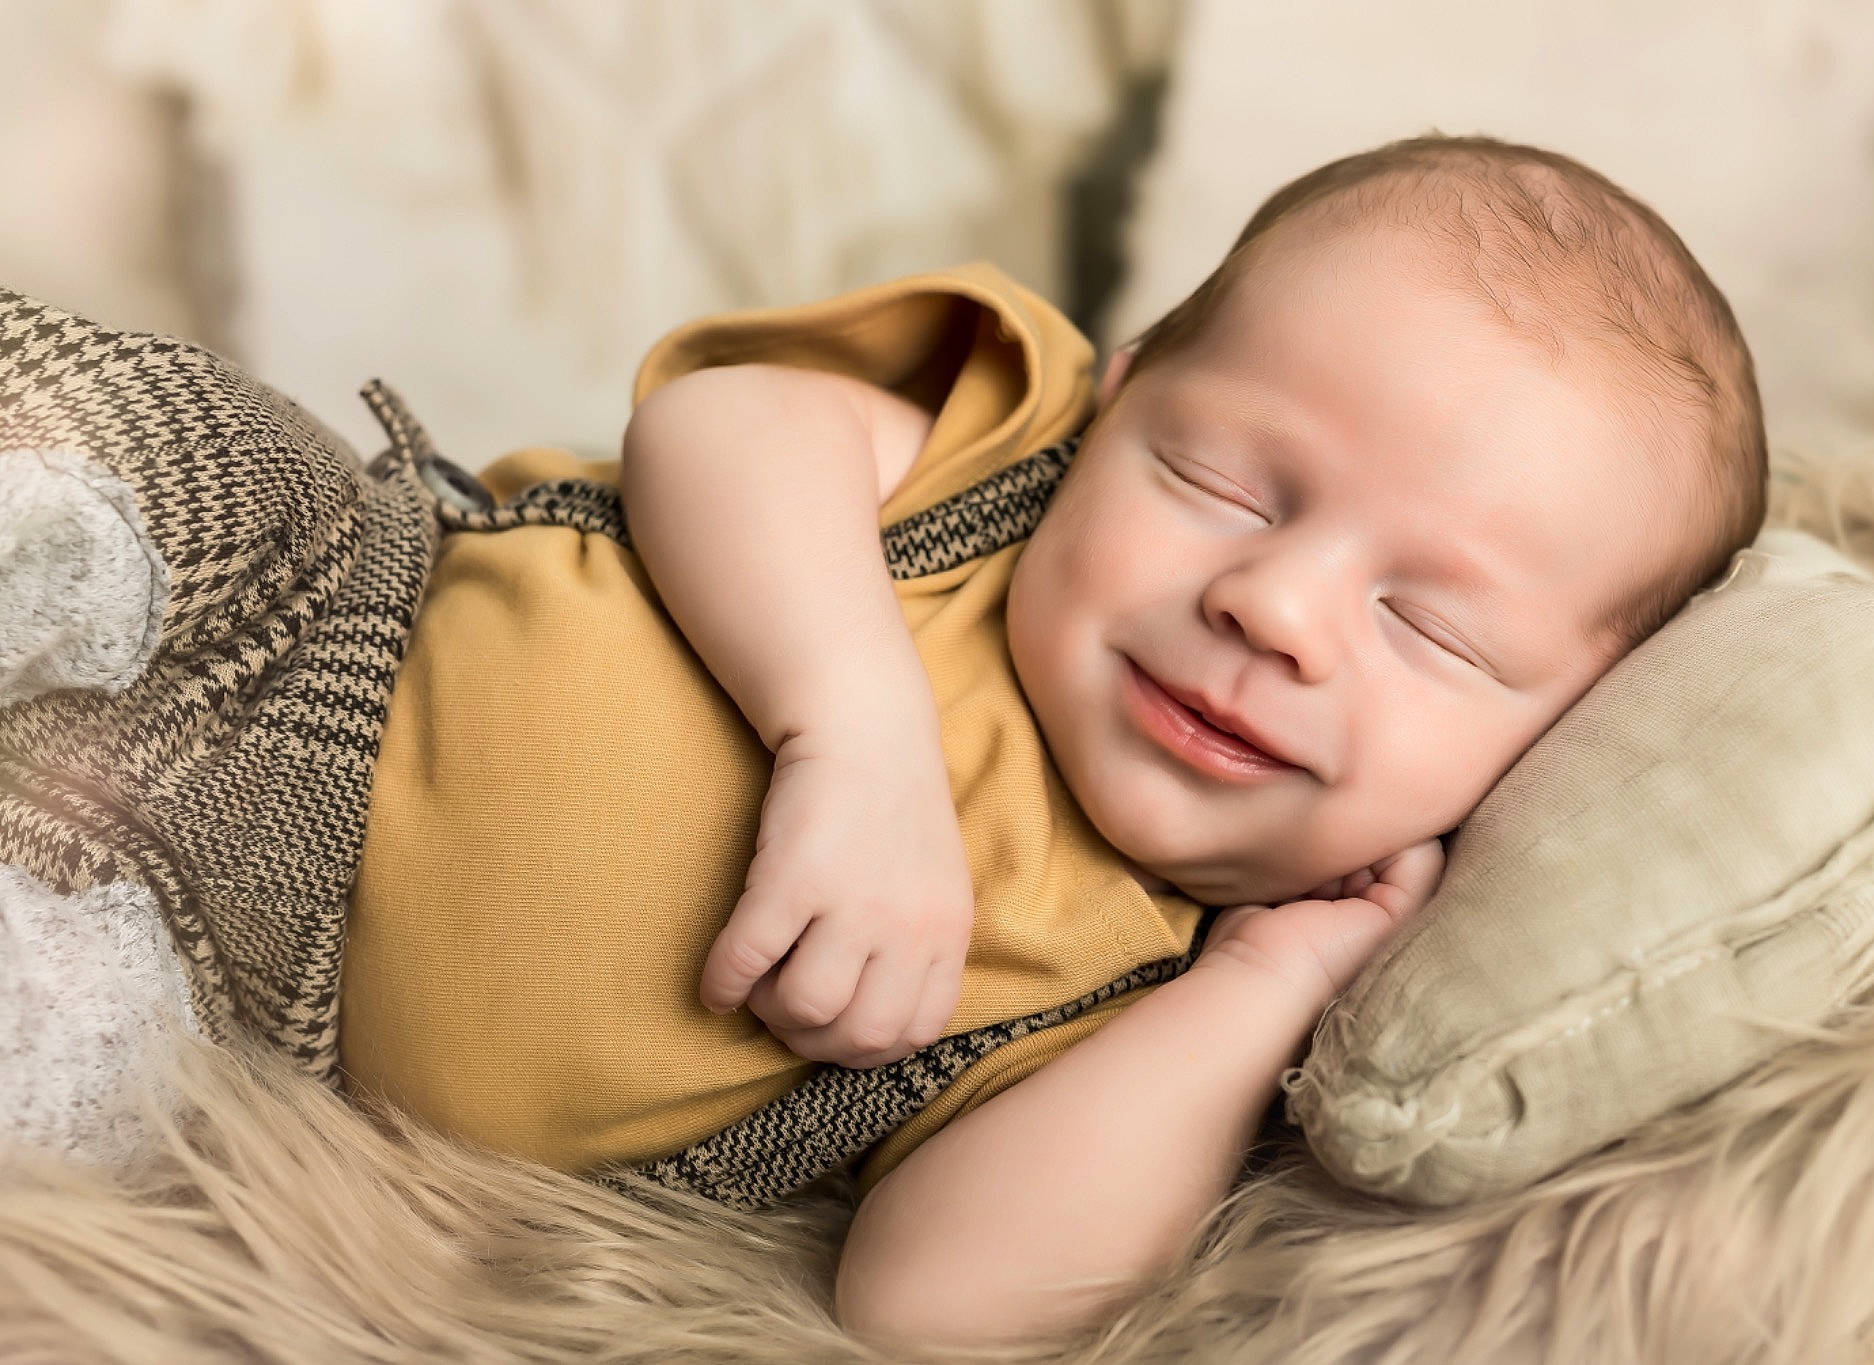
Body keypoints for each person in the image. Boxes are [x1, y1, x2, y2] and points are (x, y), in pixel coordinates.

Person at [337, 134, 1767, 1348]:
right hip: (314, 631)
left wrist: (1266, 986)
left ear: (1562, 740)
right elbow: (720, 421)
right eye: (1223, 484)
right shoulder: (999, 462)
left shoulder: (1151, 993)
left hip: (241, 1006)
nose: (1271, 608)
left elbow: (935, 1305)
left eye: (1431, 629)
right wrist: (852, 728)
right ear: (1117, 395)